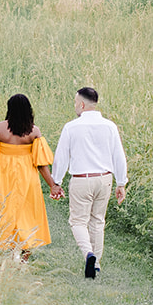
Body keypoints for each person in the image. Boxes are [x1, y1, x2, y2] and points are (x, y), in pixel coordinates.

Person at [48, 86, 128, 278]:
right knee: (98, 221)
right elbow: (119, 155)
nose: (75, 106)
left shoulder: (71, 127)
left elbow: (61, 157)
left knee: (77, 221)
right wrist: (121, 182)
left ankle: (89, 254)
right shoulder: (110, 126)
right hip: (104, 179)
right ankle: (96, 265)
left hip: (81, 180)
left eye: (76, 103)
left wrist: (56, 181)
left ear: (82, 104)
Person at [0, 93, 53, 260]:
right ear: (28, 110)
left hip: (5, 177)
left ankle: (12, 250)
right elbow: (41, 163)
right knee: (28, 212)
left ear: (9, 108)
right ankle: (25, 254)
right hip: (28, 177)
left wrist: (1, 168)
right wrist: (52, 184)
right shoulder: (34, 131)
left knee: (7, 211)